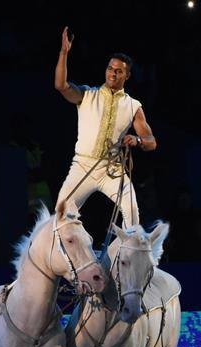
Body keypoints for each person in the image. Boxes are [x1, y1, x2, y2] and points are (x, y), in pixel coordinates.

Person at [53, 26, 157, 228]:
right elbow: (61, 85)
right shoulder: (87, 94)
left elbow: (152, 142)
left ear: (127, 76)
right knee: (60, 214)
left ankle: (123, 257)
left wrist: (138, 140)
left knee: (133, 215)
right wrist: (64, 53)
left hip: (112, 169)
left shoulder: (133, 106)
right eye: (110, 68)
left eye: (119, 71)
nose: (113, 73)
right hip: (82, 165)